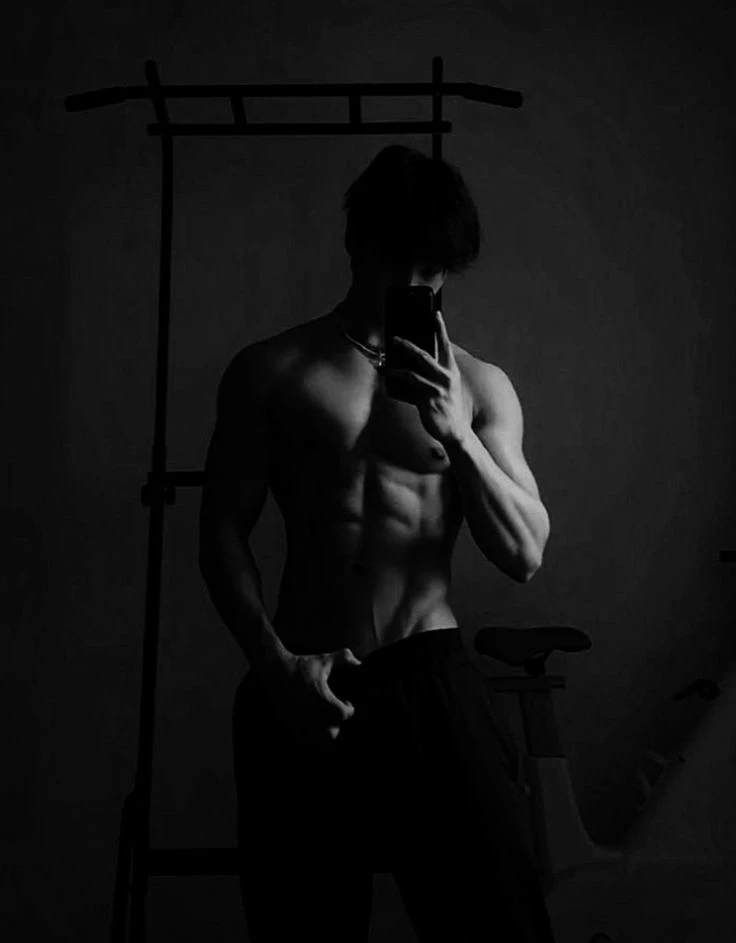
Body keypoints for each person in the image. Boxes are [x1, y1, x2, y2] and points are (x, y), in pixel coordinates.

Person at [198, 145, 556, 942]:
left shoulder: (480, 386)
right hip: (306, 677)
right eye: (403, 262)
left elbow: (525, 553)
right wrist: (273, 664)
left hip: (431, 678)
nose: (419, 285)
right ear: (357, 245)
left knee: (499, 925)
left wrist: (456, 434)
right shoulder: (271, 370)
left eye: (436, 269)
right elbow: (220, 530)